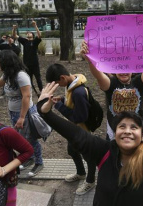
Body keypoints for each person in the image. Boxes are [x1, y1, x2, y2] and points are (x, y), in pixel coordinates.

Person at [81, 37, 143, 140]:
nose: (123, 72)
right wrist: (89, 59)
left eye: (127, 68)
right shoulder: (111, 84)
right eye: (120, 68)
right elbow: (98, 75)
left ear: (132, 70)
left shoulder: (139, 83)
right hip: (114, 137)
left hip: (135, 134)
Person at [0, 50, 44, 177]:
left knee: (30, 139)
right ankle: (30, 158)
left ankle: (39, 162)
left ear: (6, 62)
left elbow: (26, 97)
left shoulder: (21, 76)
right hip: (14, 112)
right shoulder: (8, 74)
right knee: (23, 138)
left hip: (25, 113)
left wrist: (22, 117)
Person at [45, 63, 96, 195]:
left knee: (89, 156)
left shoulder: (78, 92)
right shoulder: (71, 84)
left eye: (57, 83)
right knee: (72, 151)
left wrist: (60, 106)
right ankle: (81, 173)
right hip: (73, 130)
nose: (58, 86)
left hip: (81, 130)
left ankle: (90, 181)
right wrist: (62, 99)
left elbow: (80, 117)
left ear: (62, 77)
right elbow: (71, 103)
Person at [12, 21, 43, 93]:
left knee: (38, 78)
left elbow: (39, 35)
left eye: (30, 33)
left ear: (32, 35)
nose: (28, 33)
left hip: (35, 64)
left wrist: (35, 26)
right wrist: (14, 29)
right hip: (26, 64)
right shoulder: (24, 41)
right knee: (29, 79)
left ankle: (41, 91)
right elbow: (14, 35)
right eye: (27, 33)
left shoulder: (35, 41)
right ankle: (30, 91)